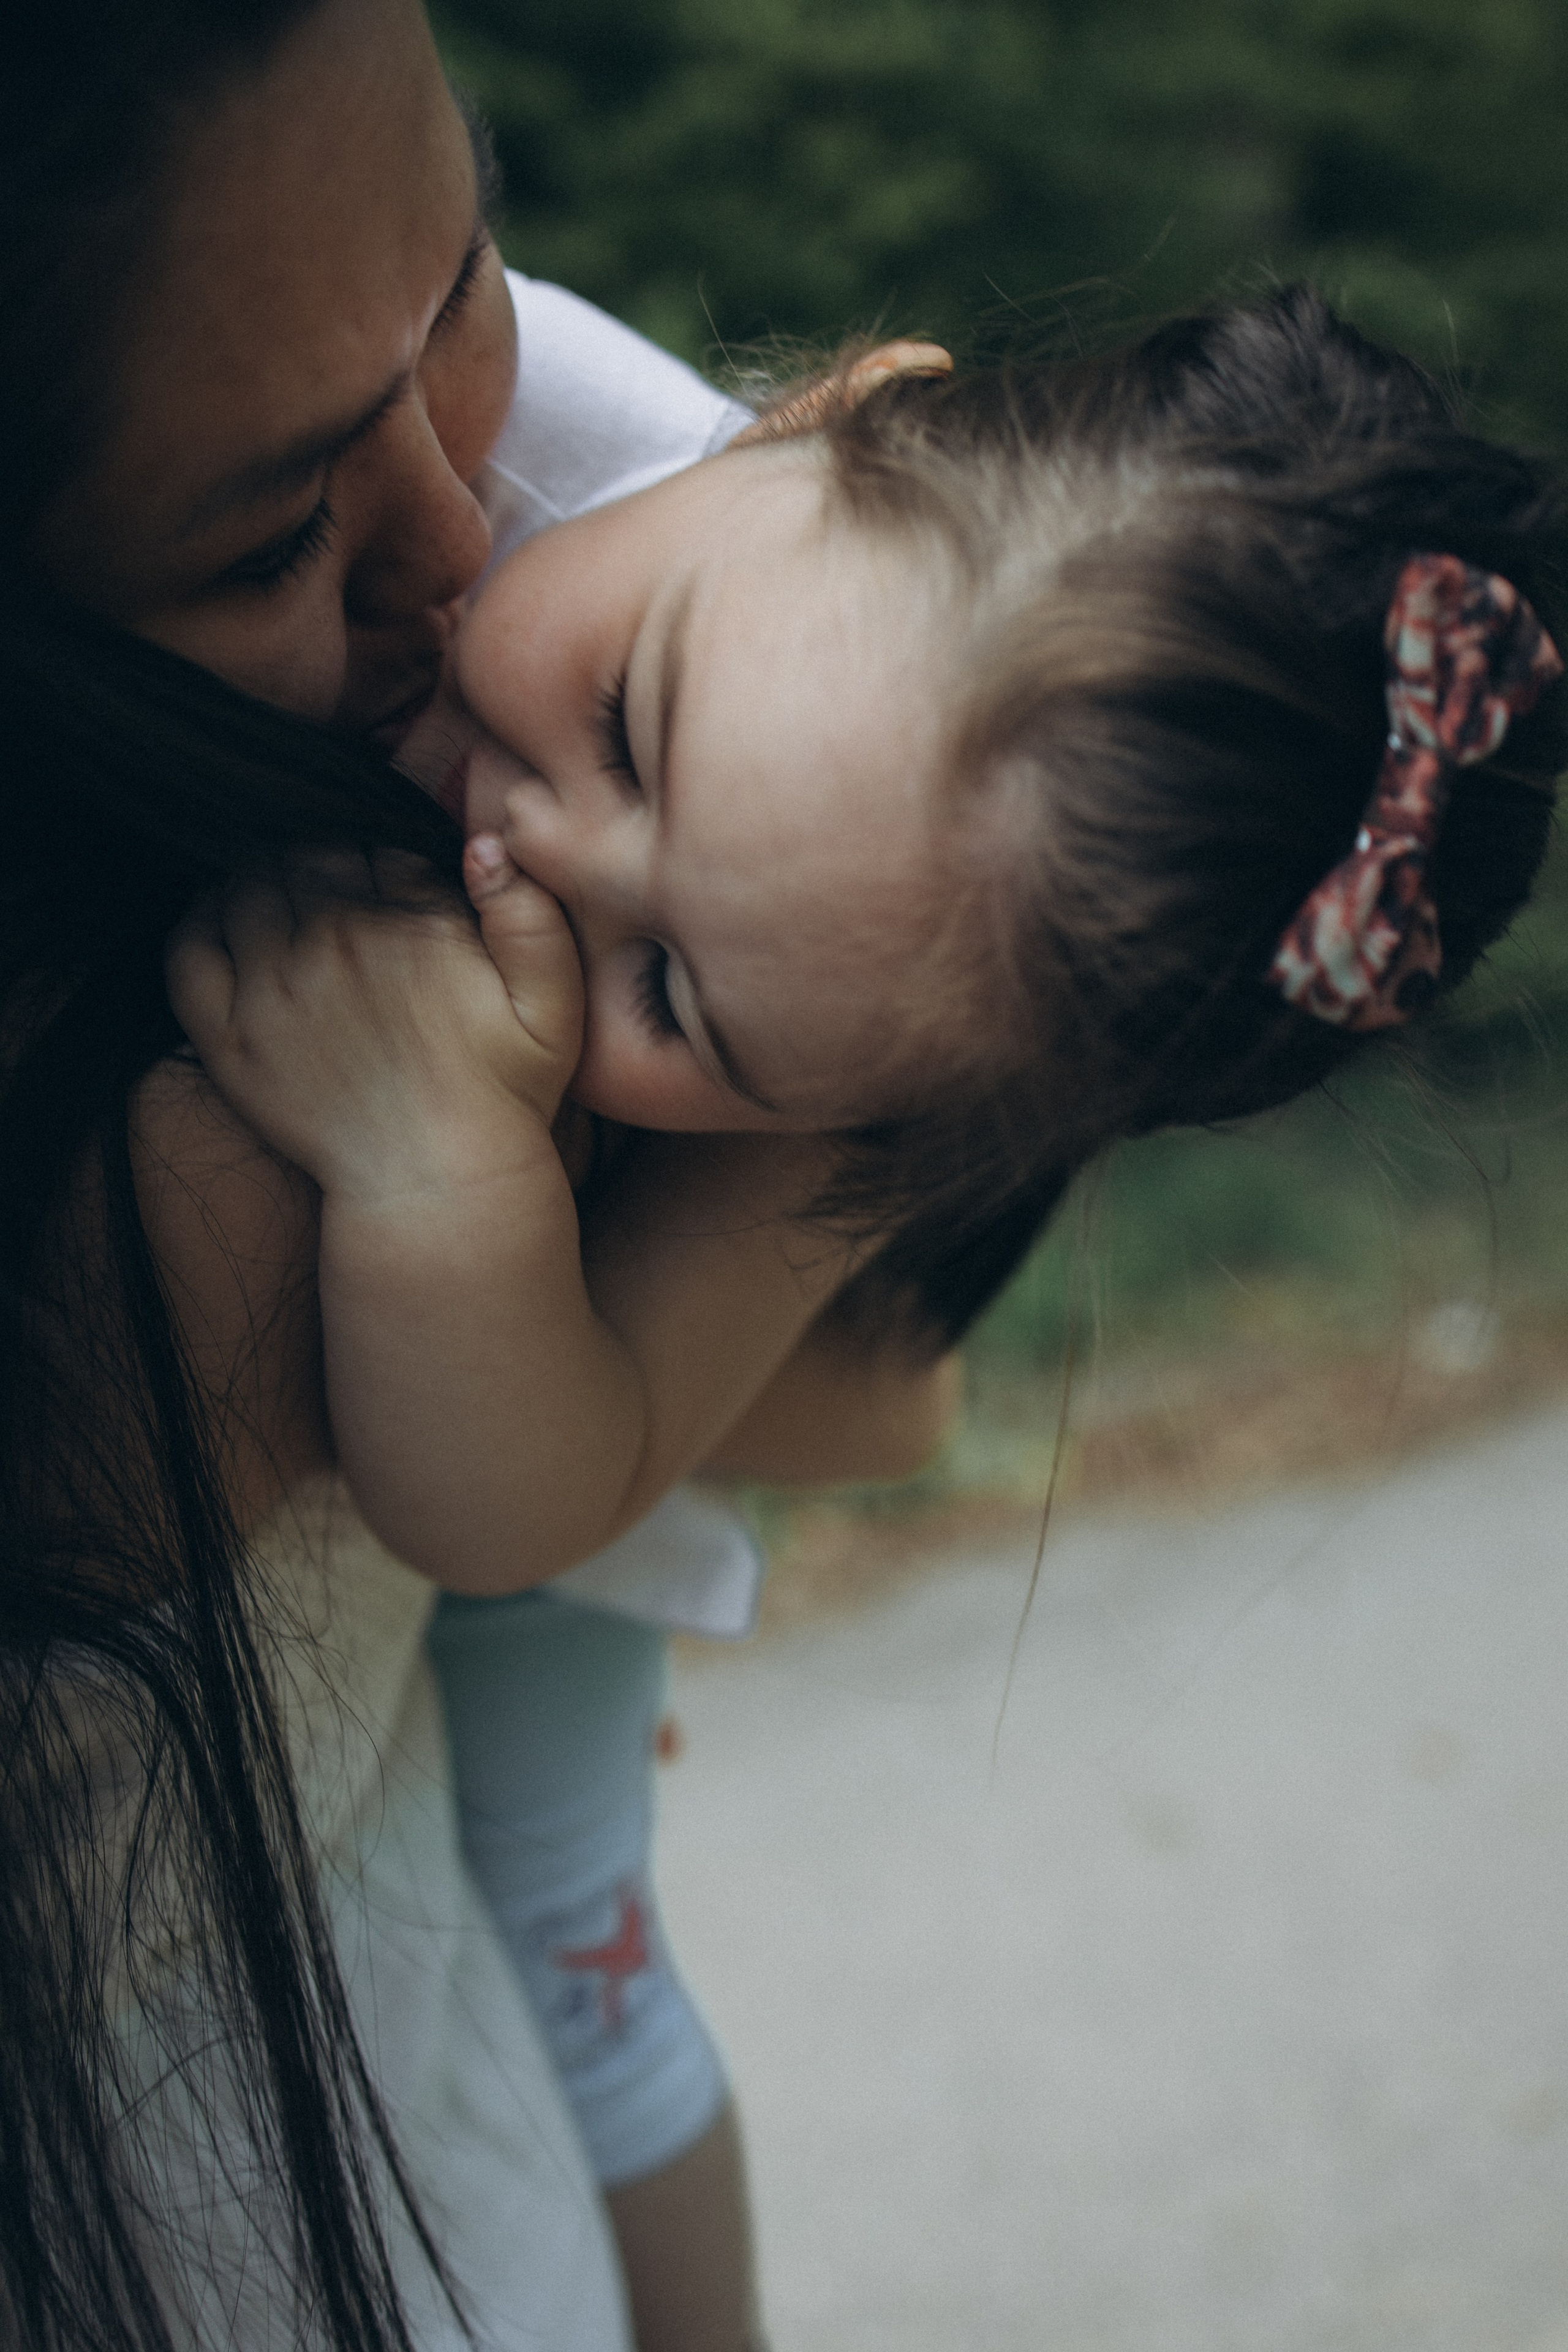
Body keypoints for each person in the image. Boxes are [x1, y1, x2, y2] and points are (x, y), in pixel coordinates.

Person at [169, 265, 1568, 2335]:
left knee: (573, 1928)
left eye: (671, 995)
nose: (532, 855)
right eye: (627, 723)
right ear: (822, 413)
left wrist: (436, 1177)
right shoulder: (489, 395)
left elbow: (546, 1489)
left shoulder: (866, 1066)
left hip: (600, 1396)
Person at [4, 1, 949, 2346]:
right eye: (272, 540)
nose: (460, 540)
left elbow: (882, 1375)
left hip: (424, 2107)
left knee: (594, 1951)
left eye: (470, 283)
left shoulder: (566, 451)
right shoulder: (185, 1192)